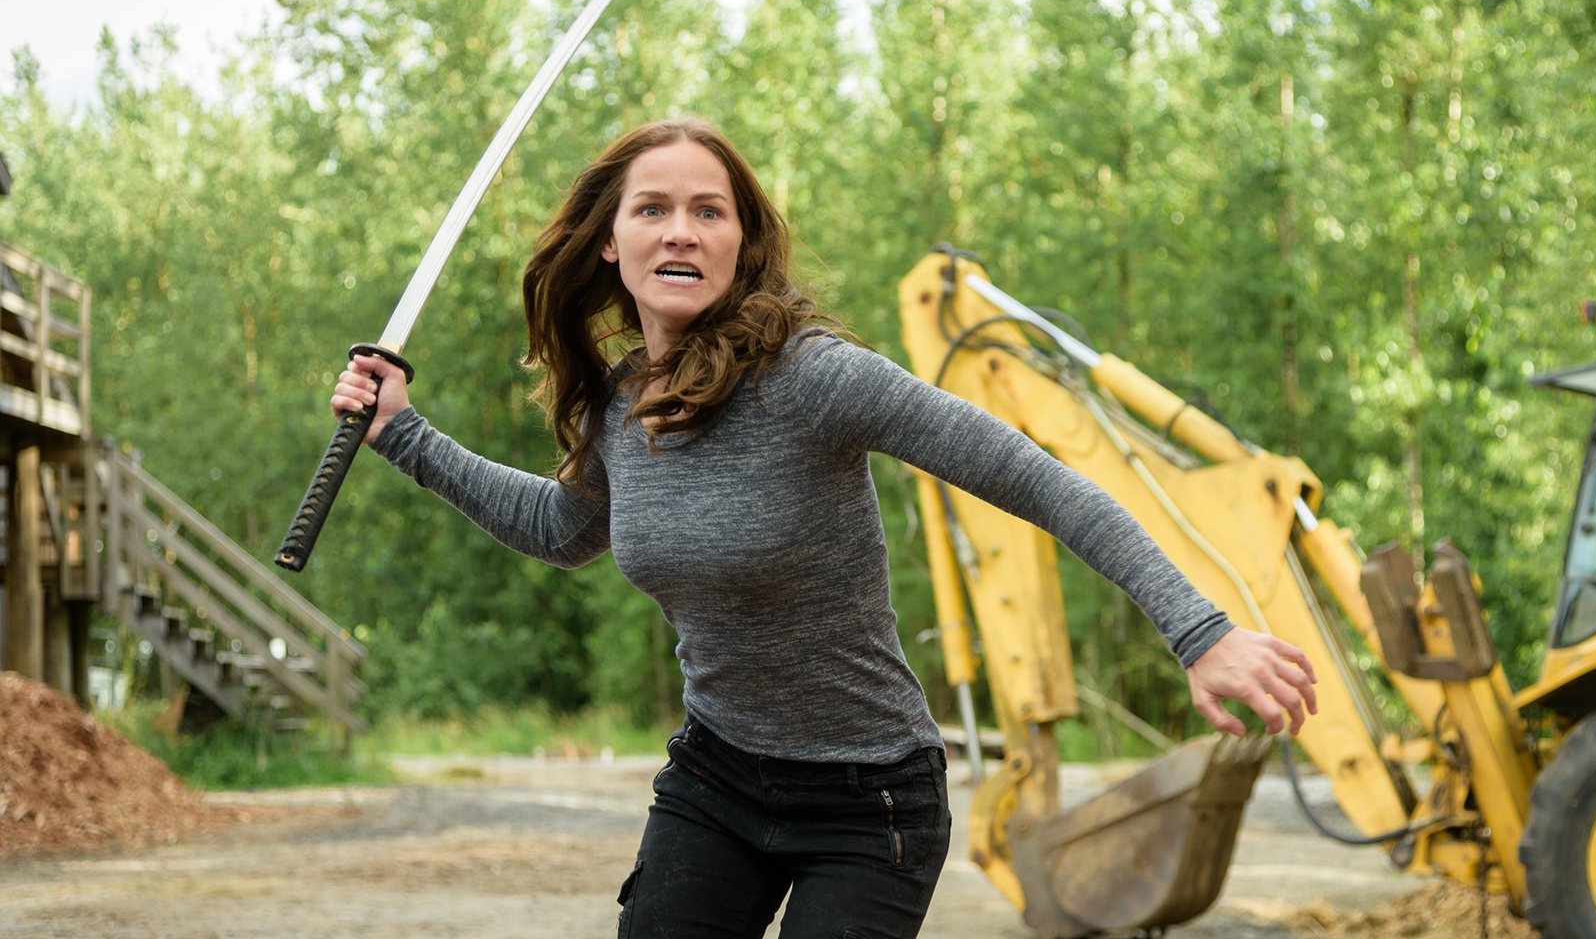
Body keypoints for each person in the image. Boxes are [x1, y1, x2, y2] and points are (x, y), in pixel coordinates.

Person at [332, 117, 1318, 939]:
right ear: (610, 243)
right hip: (717, 777)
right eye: (653, 209)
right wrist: (402, 434)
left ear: (742, 244)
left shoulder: (814, 379)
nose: (682, 232)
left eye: (709, 212)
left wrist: (1200, 632)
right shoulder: (622, 406)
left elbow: (1041, 482)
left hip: (869, 801)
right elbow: (562, 529)